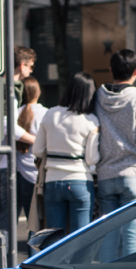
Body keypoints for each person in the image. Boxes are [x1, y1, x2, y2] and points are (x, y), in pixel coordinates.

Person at [94, 49, 136, 261]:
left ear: (111, 70)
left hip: (105, 174)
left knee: (107, 237)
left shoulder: (97, 98)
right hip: (134, 173)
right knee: (132, 239)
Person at [33, 72, 99, 234]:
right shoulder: (90, 120)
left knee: (54, 239)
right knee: (80, 238)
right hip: (80, 182)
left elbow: (37, 150)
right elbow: (91, 159)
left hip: (52, 182)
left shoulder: (51, 114)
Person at [0, 47, 36, 233]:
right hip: (5, 159)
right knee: (6, 217)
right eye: (30, 66)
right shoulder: (11, 90)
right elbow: (9, 125)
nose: (31, 71)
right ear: (22, 65)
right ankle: (3, 256)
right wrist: (35, 140)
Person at [15, 76, 47, 223]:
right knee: (36, 223)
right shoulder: (45, 113)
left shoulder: (16, 112)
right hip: (37, 173)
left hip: (19, 172)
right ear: (38, 91)